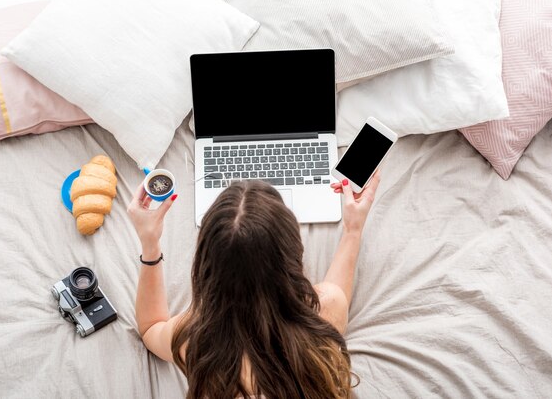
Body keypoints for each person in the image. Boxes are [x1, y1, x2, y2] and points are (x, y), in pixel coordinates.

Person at [128, 171, 381, 399]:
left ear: (206, 269)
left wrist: (150, 243)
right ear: (291, 256)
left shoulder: (194, 339)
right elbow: (336, 299)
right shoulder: (323, 315)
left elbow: (151, 328)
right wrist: (353, 229)